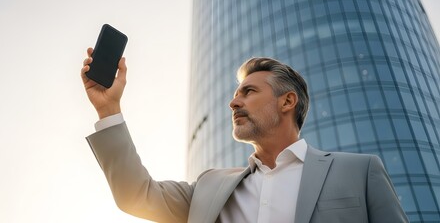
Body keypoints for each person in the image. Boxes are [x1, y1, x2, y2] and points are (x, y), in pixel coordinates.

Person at [81, 47, 409, 223]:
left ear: (287, 101)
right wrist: (108, 110)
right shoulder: (209, 187)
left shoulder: (360, 172)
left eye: (248, 91)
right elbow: (136, 196)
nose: (233, 102)